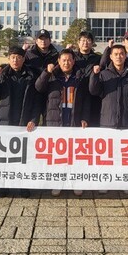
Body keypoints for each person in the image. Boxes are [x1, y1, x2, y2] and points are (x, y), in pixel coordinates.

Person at [0, 46, 42, 198]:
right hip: (4, 121)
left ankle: (23, 185)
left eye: (18, 57)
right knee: (3, 156)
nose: (15, 60)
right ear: (8, 59)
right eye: (12, 57)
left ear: (24, 59)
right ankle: (2, 186)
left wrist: (34, 119)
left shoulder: (31, 75)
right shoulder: (2, 75)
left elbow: (37, 101)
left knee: (24, 156)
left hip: (24, 122)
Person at [35, 49, 90, 197]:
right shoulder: (52, 76)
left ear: (74, 61)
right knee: (58, 156)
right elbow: (38, 88)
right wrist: (46, 73)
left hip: (74, 120)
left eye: (69, 60)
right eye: (63, 60)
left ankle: (76, 183)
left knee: (75, 155)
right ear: (58, 61)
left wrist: (84, 117)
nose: (67, 63)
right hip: (55, 121)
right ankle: (57, 183)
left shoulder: (80, 77)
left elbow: (86, 100)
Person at [90, 44, 128, 130]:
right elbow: (94, 91)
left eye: (121, 54)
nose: (118, 57)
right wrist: (95, 75)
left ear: (125, 56)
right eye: (115, 54)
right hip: (108, 123)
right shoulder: (103, 74)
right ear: (111, 57)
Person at [71, 31, 102, 127]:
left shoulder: (98, 58)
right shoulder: (72, 58)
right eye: (83, 40)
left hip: (93, 98)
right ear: (78, 42)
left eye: (88, 40)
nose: (85, 43)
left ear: (92, 43)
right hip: (74, 96)